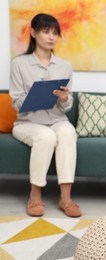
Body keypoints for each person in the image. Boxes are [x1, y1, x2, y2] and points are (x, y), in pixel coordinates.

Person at [9, 13, 81, 218]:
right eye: (46, 31)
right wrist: (36, 96)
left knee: (67, 131)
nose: (51, 37)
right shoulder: (19, 64)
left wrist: (65, 98)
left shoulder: (64, 66)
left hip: (57, 119)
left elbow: (67, 107)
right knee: (46, 136)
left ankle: (65, 198)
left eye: (55, 33)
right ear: (33, 33)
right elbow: (16, 103)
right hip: (27, 123)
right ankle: (34, 195)